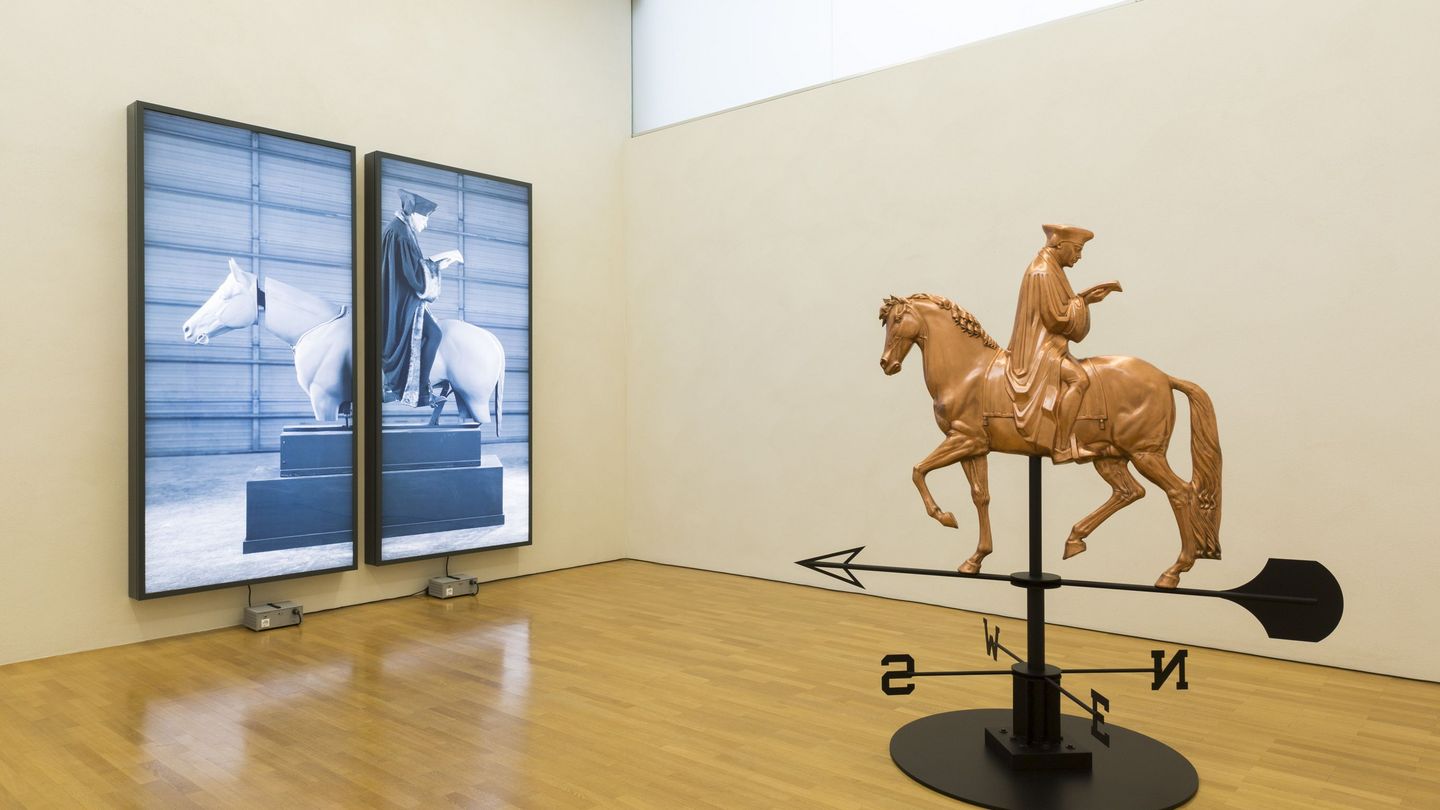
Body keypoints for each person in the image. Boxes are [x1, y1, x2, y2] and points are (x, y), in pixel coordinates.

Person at [1003, 224, 1118, 463]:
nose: (1079, 256)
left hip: (1048, 345)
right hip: (1039, 350)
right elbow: (1056, 319)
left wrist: (1083, 300)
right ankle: (1062, 446)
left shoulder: (1050, 268)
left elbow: (1061, 310)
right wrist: (1084, 303)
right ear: (1059, 244)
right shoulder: (1043, 272)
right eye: (1076, 249)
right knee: (1079, 379)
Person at [379, 189, 463, 407]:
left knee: (432, 334)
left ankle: (418, 388)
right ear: (414, 214)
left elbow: (411, 268)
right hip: (403, 301)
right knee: (434, 334)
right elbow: (416, 277)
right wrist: (438, 265)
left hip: (398, 297)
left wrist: (435, 264)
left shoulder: (398, 230)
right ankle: (421, 392)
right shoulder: (402, 234)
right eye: (425, 217)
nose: (426, 223)